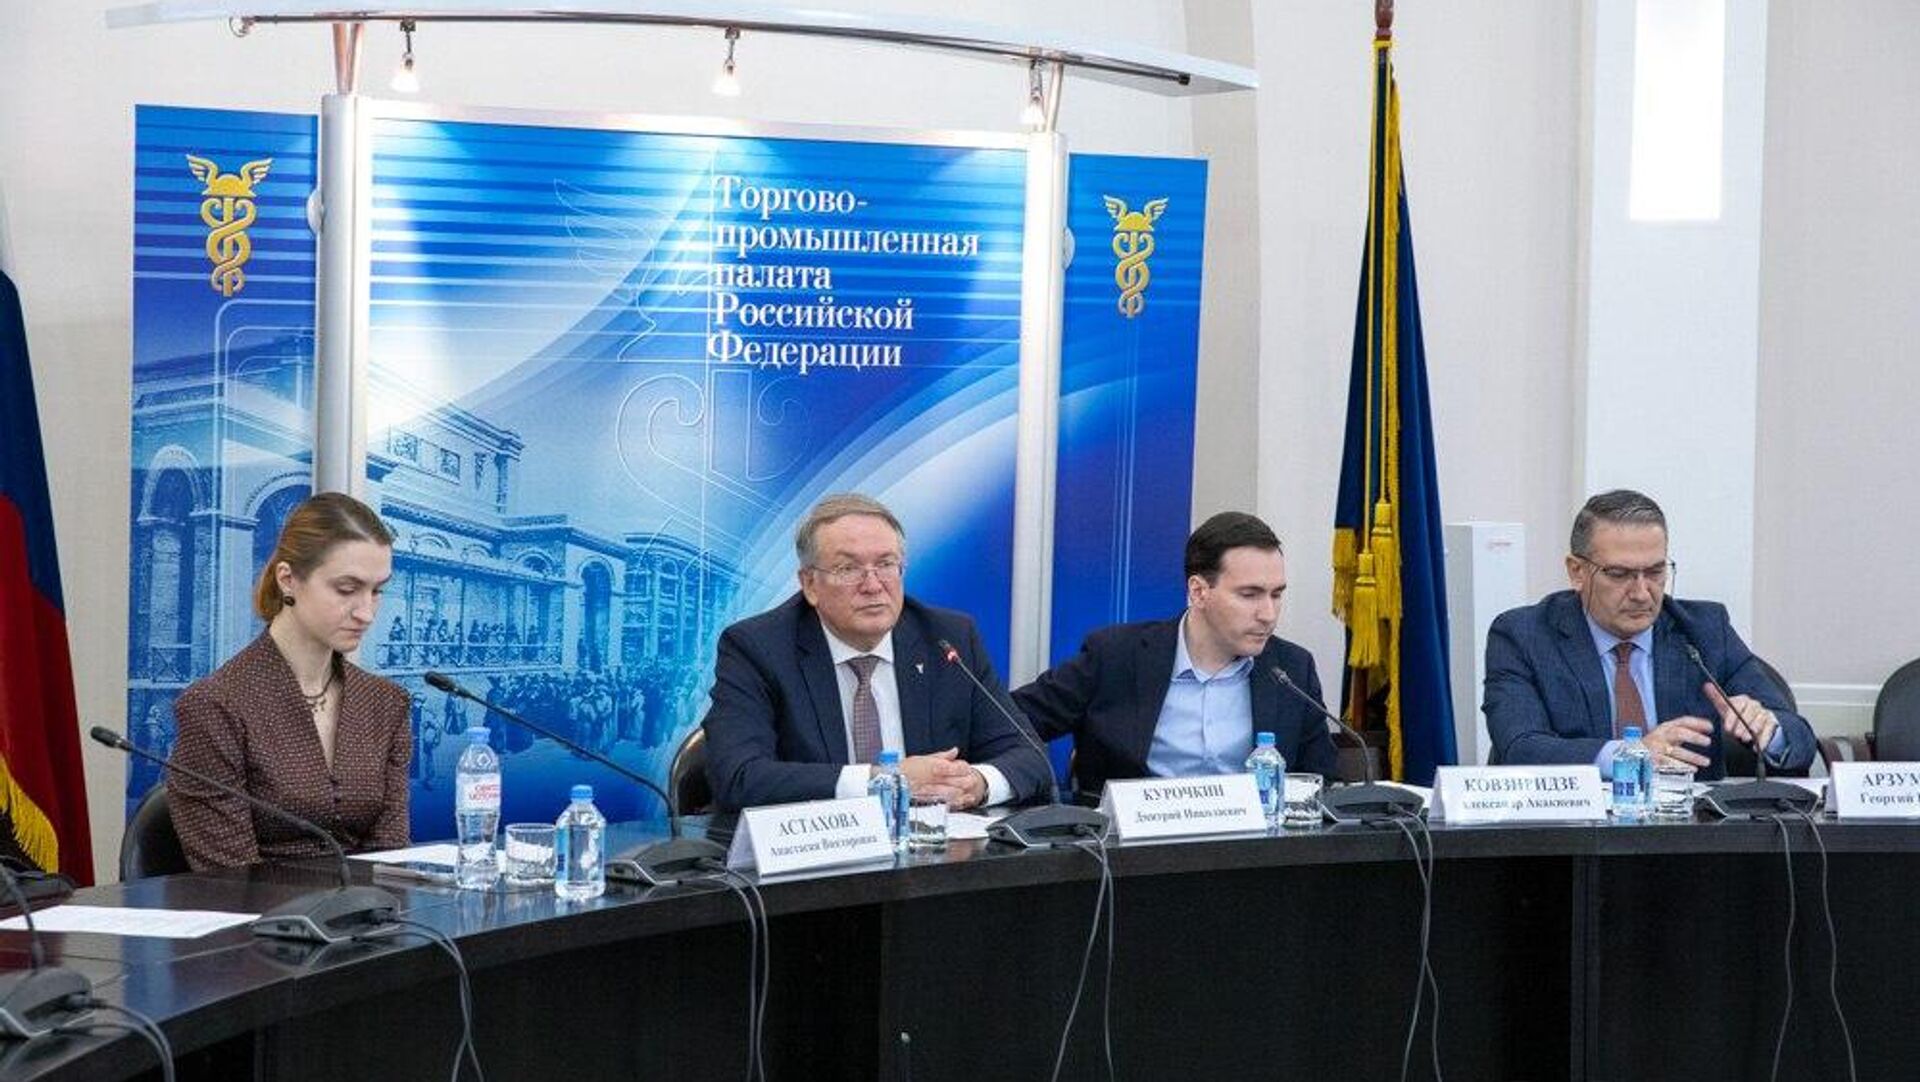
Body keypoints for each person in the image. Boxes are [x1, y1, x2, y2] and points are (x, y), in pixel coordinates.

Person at [702, 493, 1050, 812]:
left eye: (886, 564)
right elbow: (739, 776)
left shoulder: (947, 639)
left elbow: (1030, 756)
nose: (872, 585)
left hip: (933, 853)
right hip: (815, 851)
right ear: (810, 584)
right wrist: (884, 780)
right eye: (848, 568)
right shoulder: (758, 648)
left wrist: (977, 784)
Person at [1483, 489, 1815, 778]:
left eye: (1655, 572)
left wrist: (1769, 730)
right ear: (1577, 571)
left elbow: (1799, 739)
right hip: (1573, 828)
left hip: (1688, 827)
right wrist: (1631, 755)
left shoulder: (1704, 631)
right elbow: (1520, 748)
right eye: (1619, 574)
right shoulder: (1523, 637)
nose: (1642, 593)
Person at [1013, 512, 1339, 797]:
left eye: (1276, 595)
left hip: (1254, 845)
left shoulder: (1291, 669)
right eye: (1249, 595)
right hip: (1132, 845)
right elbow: (1009, 723)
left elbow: (1321, 784)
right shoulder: (1115, 656)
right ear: (1198, 591)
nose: (1268, 614)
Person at [168, 492, 412, 870]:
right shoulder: (215, 706)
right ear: (288, 580)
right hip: (257, 906)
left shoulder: (386, 702)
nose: (366, 612)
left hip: (370, 905)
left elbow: (390, 858)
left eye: (377, 590)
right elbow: (229, 877)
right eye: (347, 589)